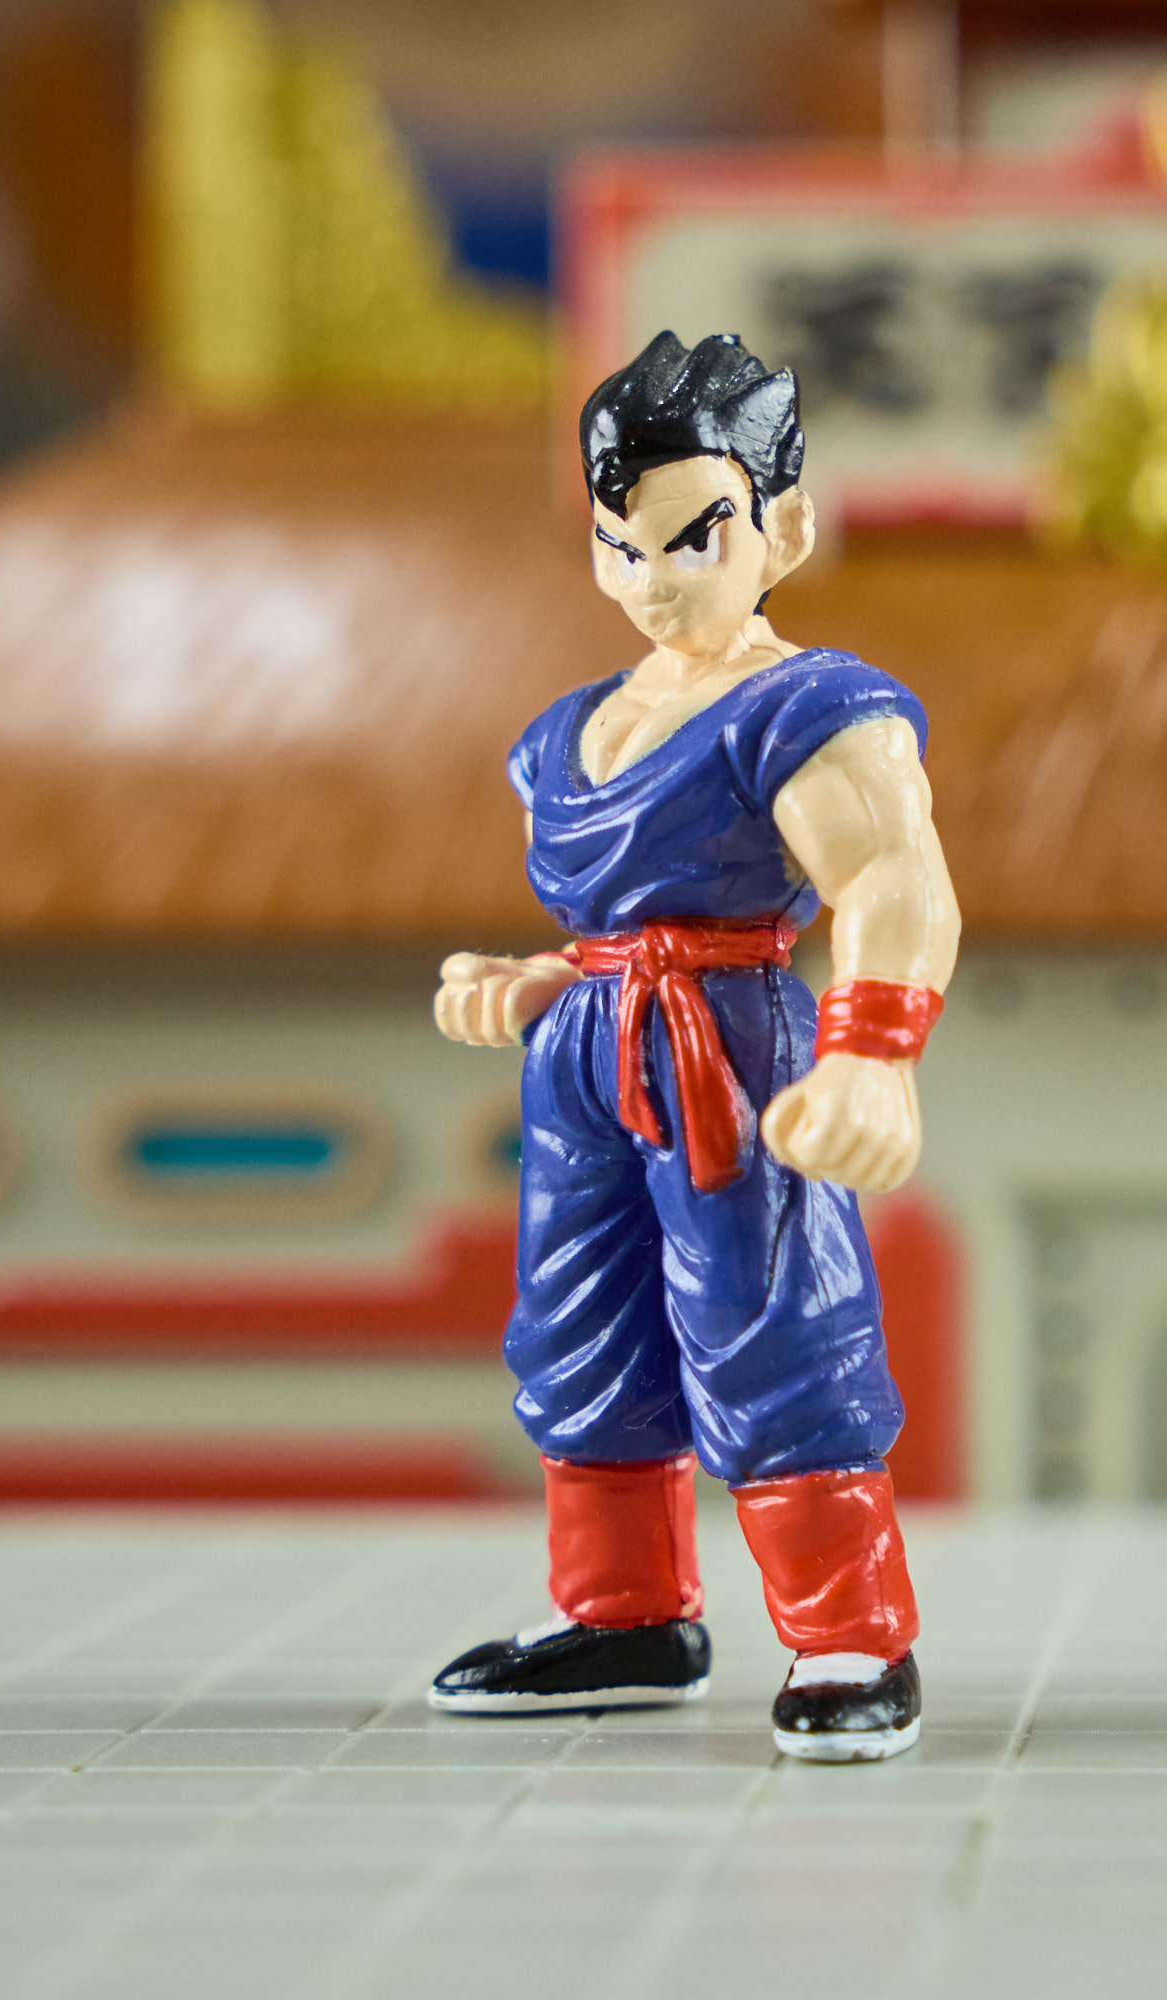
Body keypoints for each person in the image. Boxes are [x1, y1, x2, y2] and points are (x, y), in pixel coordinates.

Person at [425, 331, 959, 1763]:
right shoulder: (574, 729)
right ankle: (625, 1616)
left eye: (691, 538)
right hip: (589, 1056)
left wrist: (873, 1048)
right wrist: (540, 978)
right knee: (580, 1325)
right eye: (620, 545)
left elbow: (894, 880)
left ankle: (849, 1632)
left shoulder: (806, 710)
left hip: (731, 1054)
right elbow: (620, 919)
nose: (653, 578)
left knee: (771, 1319)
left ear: (784, 528)